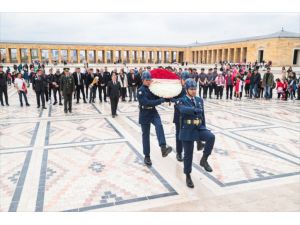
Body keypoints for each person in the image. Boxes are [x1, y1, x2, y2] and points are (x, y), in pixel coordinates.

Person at [176, 78, 215, 188]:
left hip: (199, 128)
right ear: (186, 89)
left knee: (211, 137)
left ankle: (204, 160)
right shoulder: (181, 100)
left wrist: (204, 128)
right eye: (191, 89)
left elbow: (203, 116)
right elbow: (183, 110)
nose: (194, 91)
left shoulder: (199, 100)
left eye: (195, 88)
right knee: (188, 155)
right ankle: (188, 175)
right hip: (187, 130)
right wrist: (194, 110)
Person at [137, 71, 172, 166]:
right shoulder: (140, 91)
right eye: (147, 80)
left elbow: (159, 96)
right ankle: (147, 156)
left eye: (149, 80)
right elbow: (146, 102)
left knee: (159, 125)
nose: (149, 82)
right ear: (143, 80)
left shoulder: (152, 89)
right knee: (146, 135)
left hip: (153, 112)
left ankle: (163, 147)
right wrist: (160, 101)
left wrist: (168, 98)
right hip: (144, 113)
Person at [172, 71, 204, 162]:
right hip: (179, 116)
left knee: (195, 128)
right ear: (181, 80)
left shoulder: (189, 87)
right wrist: (179, 101)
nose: (185, 81)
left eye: (186, 79)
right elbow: (171, 98)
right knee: (179, 134)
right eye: (184, 79)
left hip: (190, 115)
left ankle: (198, 142)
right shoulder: (177, 89)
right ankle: (179, 152)